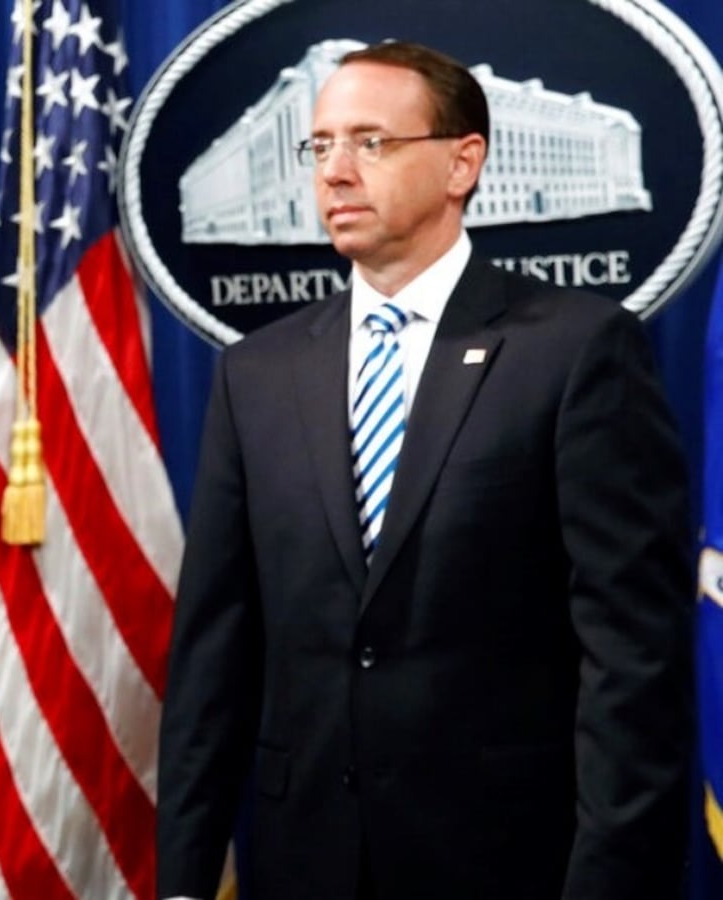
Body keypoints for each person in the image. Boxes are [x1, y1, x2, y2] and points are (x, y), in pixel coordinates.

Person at [157, 40, 692, 900]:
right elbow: (214, 655)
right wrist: (183, 879)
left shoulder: (575, 351)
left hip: (507, 860)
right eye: (321, 144)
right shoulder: (258, 374)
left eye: (370, 142)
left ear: (462, 163)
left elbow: (631, 663)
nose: (334, 171)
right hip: (306, 863)